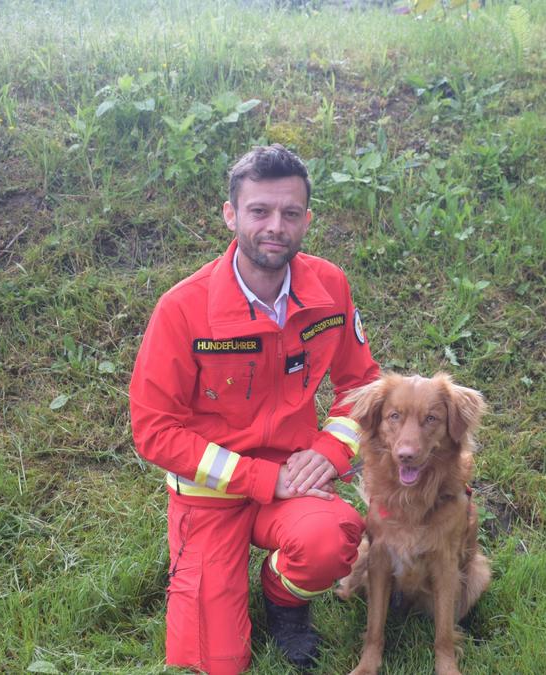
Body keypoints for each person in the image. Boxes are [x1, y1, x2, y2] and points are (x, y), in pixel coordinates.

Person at [128, 144, 381, 674]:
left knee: (330, 540)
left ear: (307, 220)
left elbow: (362, 385)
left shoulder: (330, 287)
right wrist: (260, 478)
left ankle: (282, 598)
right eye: (259, 211)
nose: (276, 227)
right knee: (216, 664)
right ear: (231, 215)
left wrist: (331, 453)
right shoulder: (182, 308)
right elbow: (153, 431)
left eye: (290, 214)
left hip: (294, 480)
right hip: (211, 497)